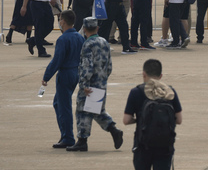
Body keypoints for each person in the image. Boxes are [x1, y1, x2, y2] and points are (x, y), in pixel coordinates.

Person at [67, 17, 124, 152]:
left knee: (82, 111)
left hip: (90, 84)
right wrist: (104, 78)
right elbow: (109, 65)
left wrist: (84, 84)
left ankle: (82, 140)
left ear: (84, 29)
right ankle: (114, 130)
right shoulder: (104, 42)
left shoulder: (87, 45)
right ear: (97, 28)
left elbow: (87, 66)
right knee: (96, 110)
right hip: (101, 82)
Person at [123, 59, 183, 169]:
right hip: (165, 145)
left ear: (143, 74)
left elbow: (126, 120)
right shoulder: (169, 92)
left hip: (143, 144)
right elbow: (179, 119)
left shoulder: (136, 92)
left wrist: (141, 119)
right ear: (161, 75)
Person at [41, 10, 85, 148]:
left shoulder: (62, 39)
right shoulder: (80, 37)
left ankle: (68, 137)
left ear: (62, 22)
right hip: (76, 72)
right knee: (58, 103)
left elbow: (57, 60)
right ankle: (65, 134)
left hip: (65, 73)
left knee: (64, 106)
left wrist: (46, 76)